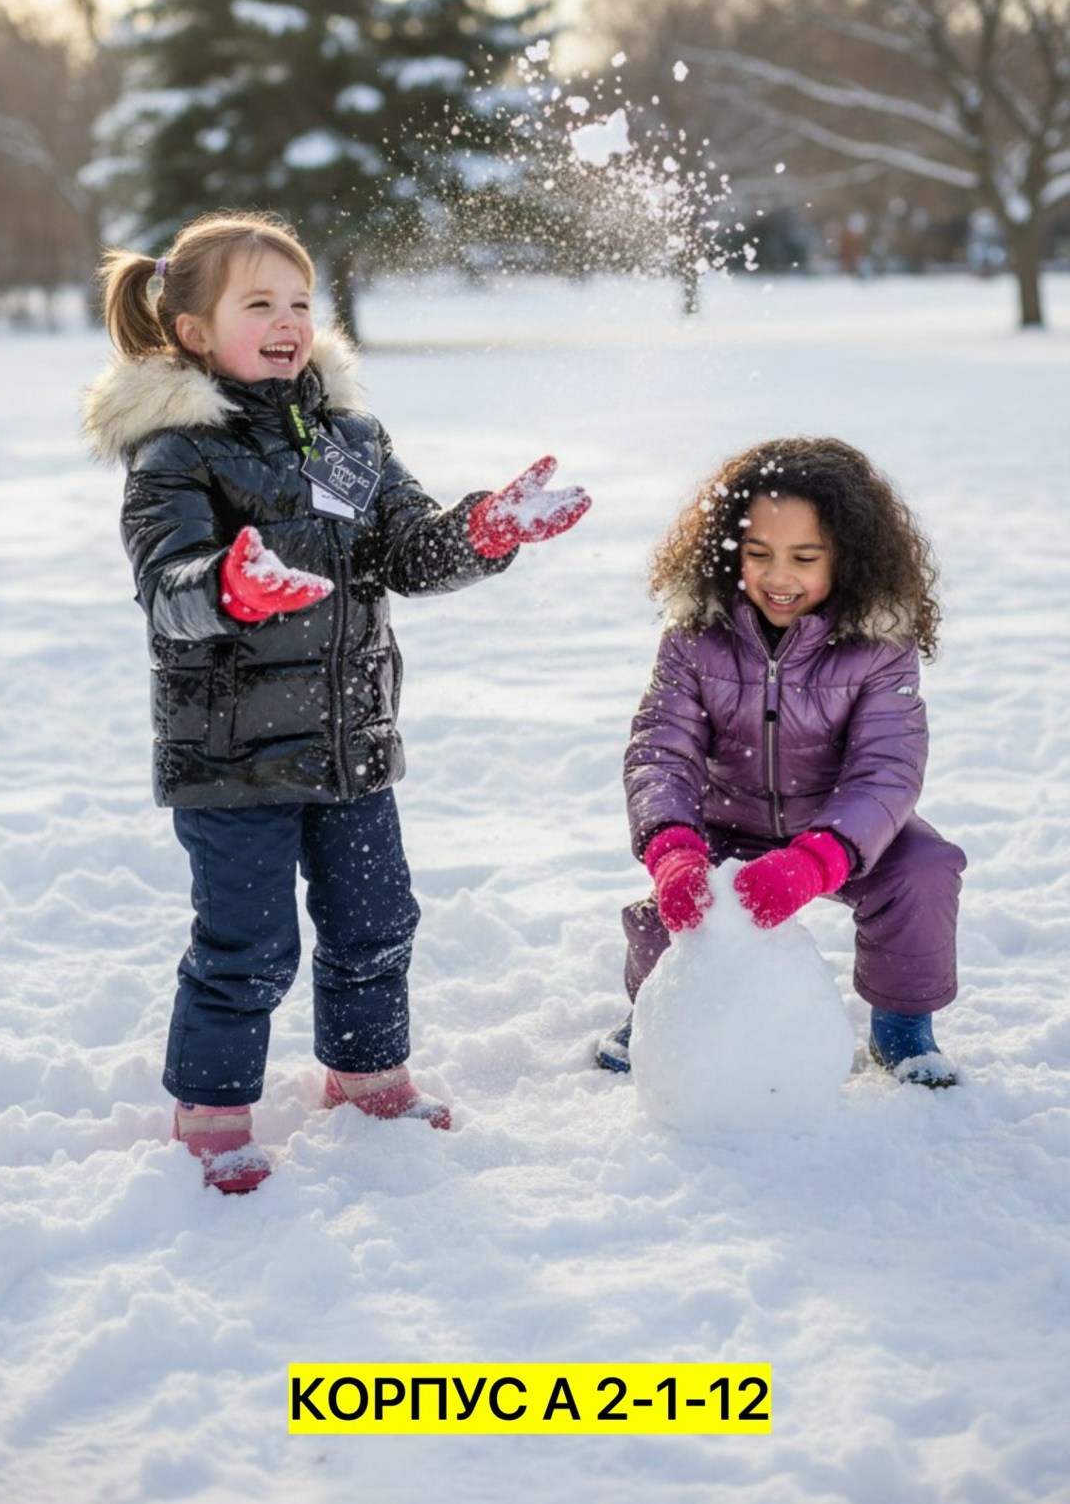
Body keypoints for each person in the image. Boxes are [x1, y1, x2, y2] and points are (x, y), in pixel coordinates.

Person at [83, 211, 590, 1192]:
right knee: (249, 945)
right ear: (193, 331)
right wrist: (230, 590)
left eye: (300, 303)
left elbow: (404, 551)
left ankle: (366, 1076)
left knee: (376, 920)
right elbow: (167, 586)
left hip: (351, 743)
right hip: (231, 760)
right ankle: (213, 1109)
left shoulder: (348, 439)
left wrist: (483, 530)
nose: (288, 321)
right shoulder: (179, 453)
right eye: (258, 303)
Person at [596, 436, 964, 1089]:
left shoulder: (878, 643)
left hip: (840, 831)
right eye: (758, 554)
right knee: (677, 908)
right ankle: (657, 1014)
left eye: (804, 556)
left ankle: (903, 1026)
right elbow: (661, 745)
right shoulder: (696, 633)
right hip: (724, 824)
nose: (778, 576)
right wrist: (675, 849)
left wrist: (819, 856)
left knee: (923, 871)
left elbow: (888, 767)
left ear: (848, 558)